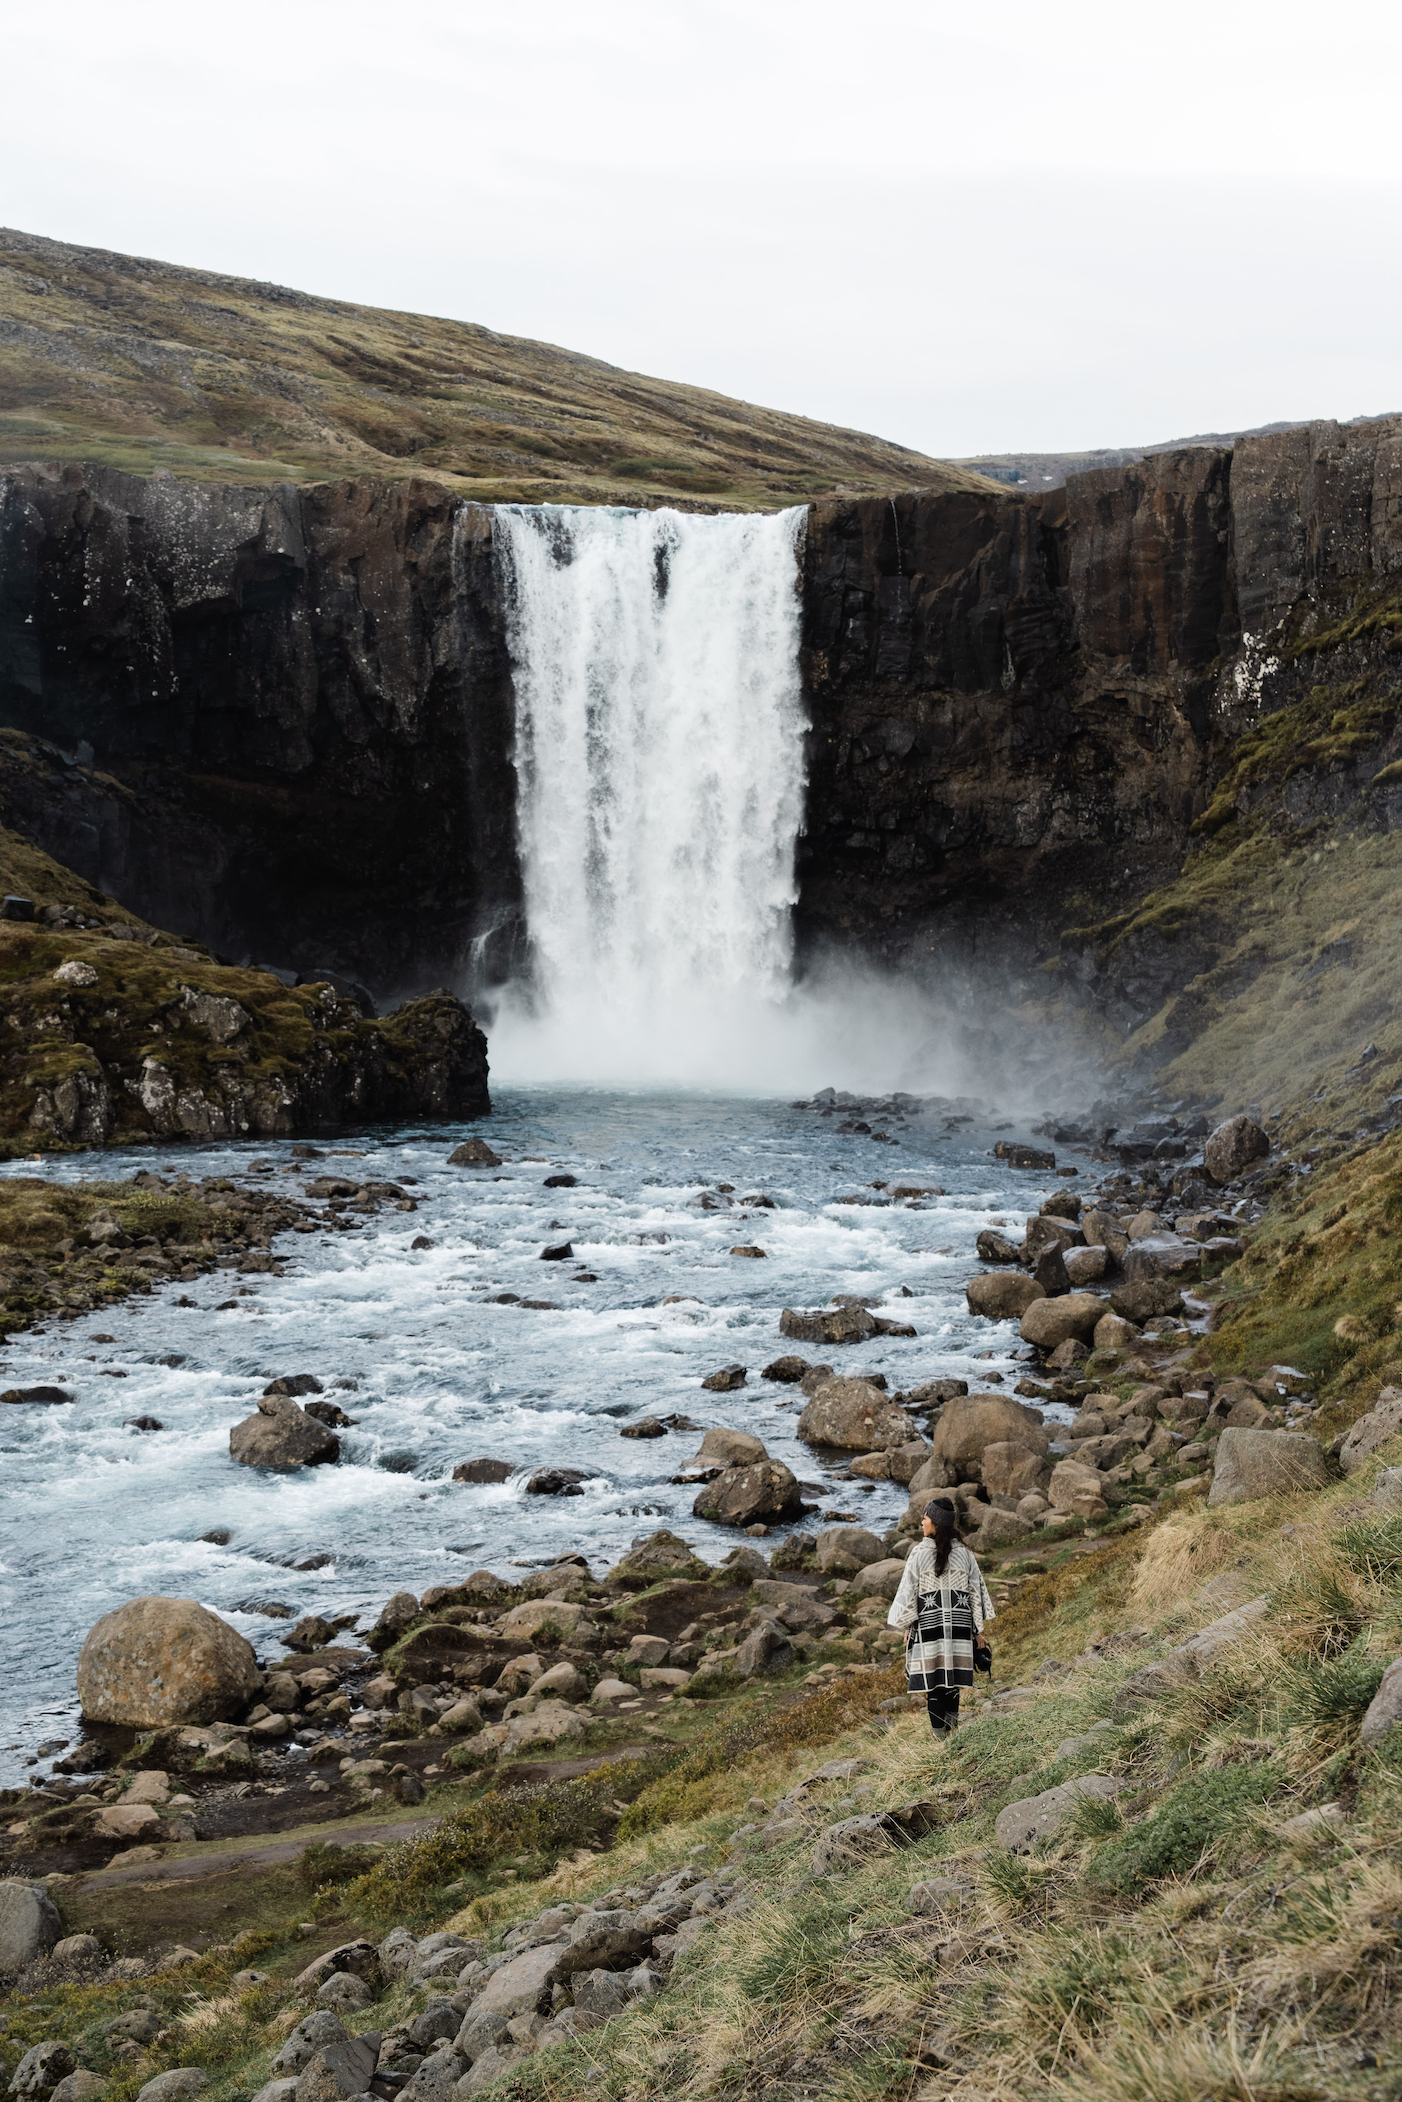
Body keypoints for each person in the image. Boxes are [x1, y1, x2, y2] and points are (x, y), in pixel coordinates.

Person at [886, 1497, 995, 1735]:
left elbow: (909, 1593)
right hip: (959, 1627)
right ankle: (952, 1733)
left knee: (933, 1684)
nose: (922, 1522)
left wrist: (908, 1626)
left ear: (935, 1522)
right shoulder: (965, 1554)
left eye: (925, 1518)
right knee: (952, 1682)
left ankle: (940, 1739)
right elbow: (976, 1592)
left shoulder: (918, 1554)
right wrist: (977, 1631)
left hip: (929, 1626)